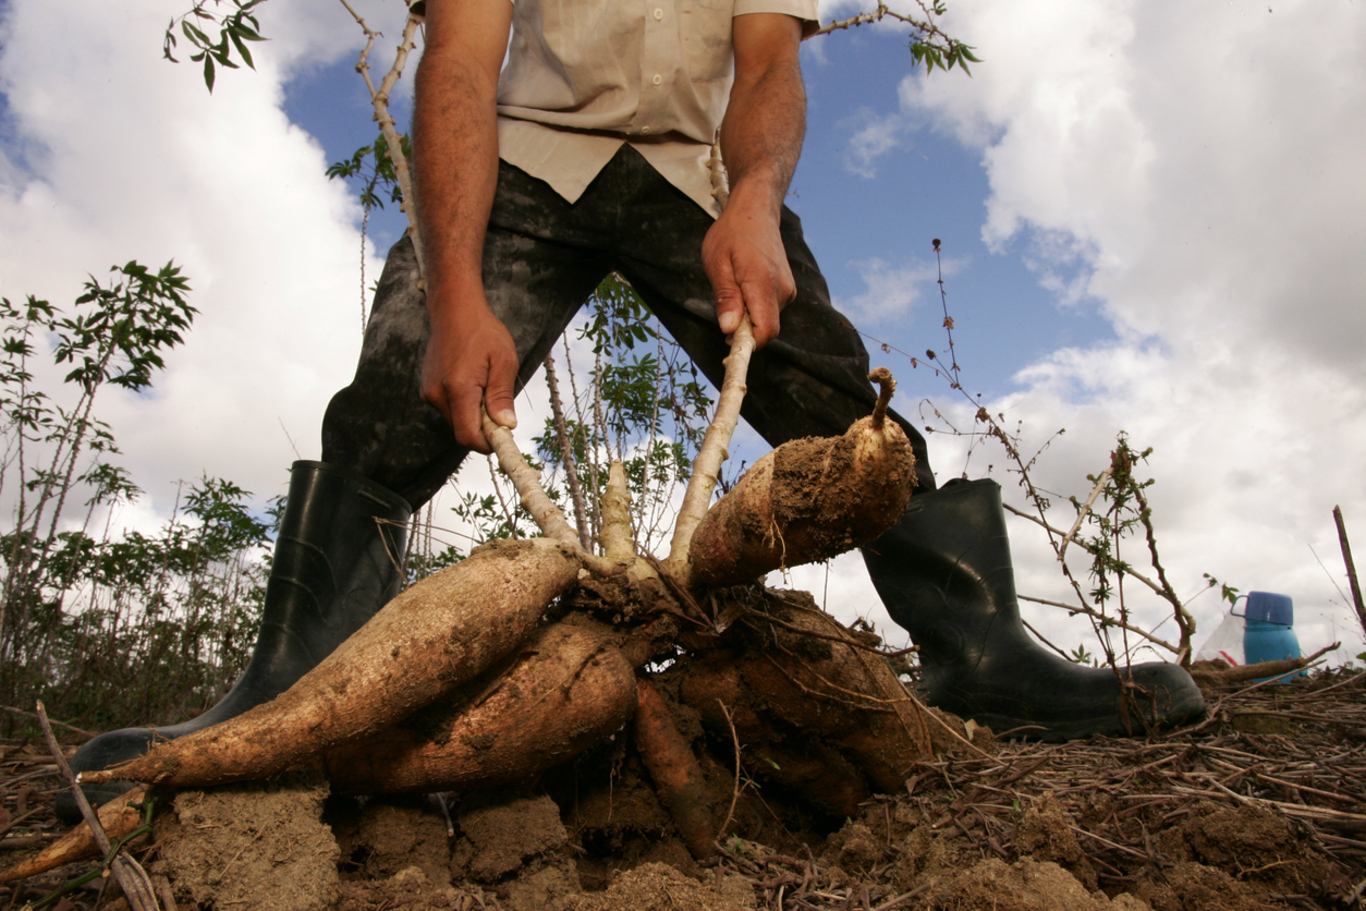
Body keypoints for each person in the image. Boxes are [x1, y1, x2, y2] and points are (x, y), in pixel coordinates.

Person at [61, 0, 1203, 819]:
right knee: (389, 409)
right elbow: (458, 59)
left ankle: (983, 654)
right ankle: (290, 700)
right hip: (521, 160)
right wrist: (456, 295)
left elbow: (766, 70)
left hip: (692, 172)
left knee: (836, 403)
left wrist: (753, 198)